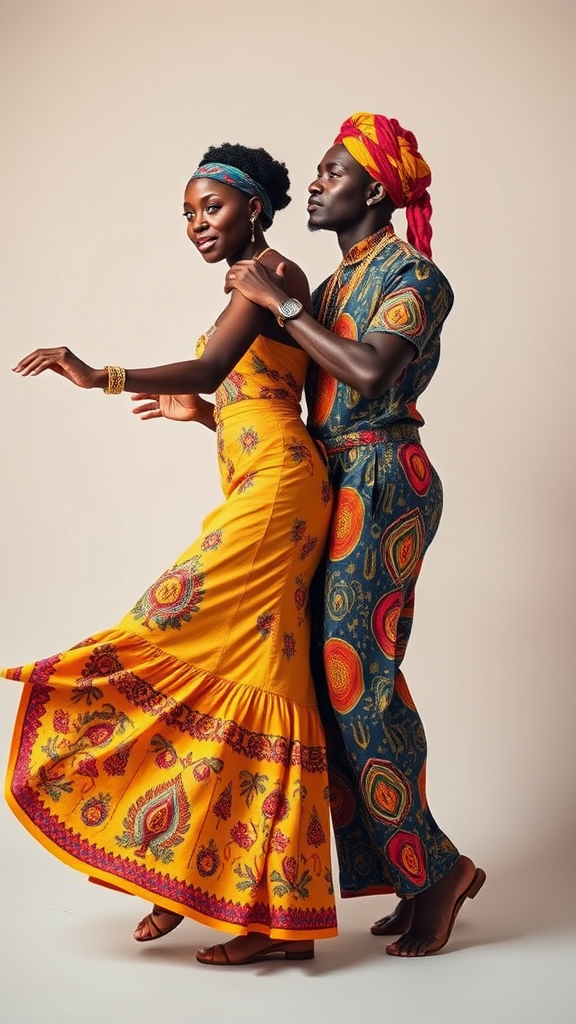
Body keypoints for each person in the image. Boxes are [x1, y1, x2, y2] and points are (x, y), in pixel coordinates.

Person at [3, 143, 338, 966]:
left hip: (279, 496)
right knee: (260, 684)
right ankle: (247, 907)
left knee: (164, 623)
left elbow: (216, 363)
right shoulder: (258, 281)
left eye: (210, 208)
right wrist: (203, 417)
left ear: (253, 207)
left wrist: (101, 374)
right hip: (266, 489)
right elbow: (252, 391)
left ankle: (215, 892)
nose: (196, 225)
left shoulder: (271, 275)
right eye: (188, 214)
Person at [225, 112, 486, 957]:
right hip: (337, 478)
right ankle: (411, 873)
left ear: (375, 189)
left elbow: (371, 371)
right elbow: (304, 401)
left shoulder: (416, 274)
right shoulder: (337, 285)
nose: (313, 182)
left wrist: (282, 303)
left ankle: (438, 871)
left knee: (355, 681)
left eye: (333, 172)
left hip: (382, 479)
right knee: (329, 688)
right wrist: (205, 412)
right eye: (317, 172)